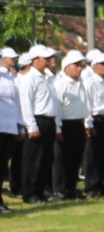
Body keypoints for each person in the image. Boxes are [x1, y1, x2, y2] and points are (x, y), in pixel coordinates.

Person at [18, 45, 61, 204]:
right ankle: (30, 193)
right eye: (46, 58)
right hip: (37, 120)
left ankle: (41, 191)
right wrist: (31, 126)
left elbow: (53, 103)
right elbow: (26, 104)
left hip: (49, 121)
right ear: (35, 60)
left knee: (45, 159)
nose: (51, 60)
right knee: (33, 159)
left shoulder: (48, 78)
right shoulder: (30, 78)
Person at [51, 49, 92, 201]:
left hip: (78, 124)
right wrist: (57, 128)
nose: (79, 68)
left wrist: (87, 123)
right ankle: (59, 191)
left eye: (81, 65)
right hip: (65, 124)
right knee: (61, 159)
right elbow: (57, 107)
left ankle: (70, 189)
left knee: (75, 158)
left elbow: (85, 104)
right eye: (76, 65)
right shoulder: (60, 84)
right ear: (67, 67)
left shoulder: (81, 84)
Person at [83, 49, 104, 197]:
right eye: (102, 64)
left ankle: (101, 183)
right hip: (95, 119)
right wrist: (88, 123)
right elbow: (87, 104)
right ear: (94, 66)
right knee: (92, 155)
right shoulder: (90, 83)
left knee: (103, 154)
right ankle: (91, 186)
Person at [0, 46, 19, 215]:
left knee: (2, 166)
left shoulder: (9, 77)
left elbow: (15, 102)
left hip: (9, 127)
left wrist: (18, 123)